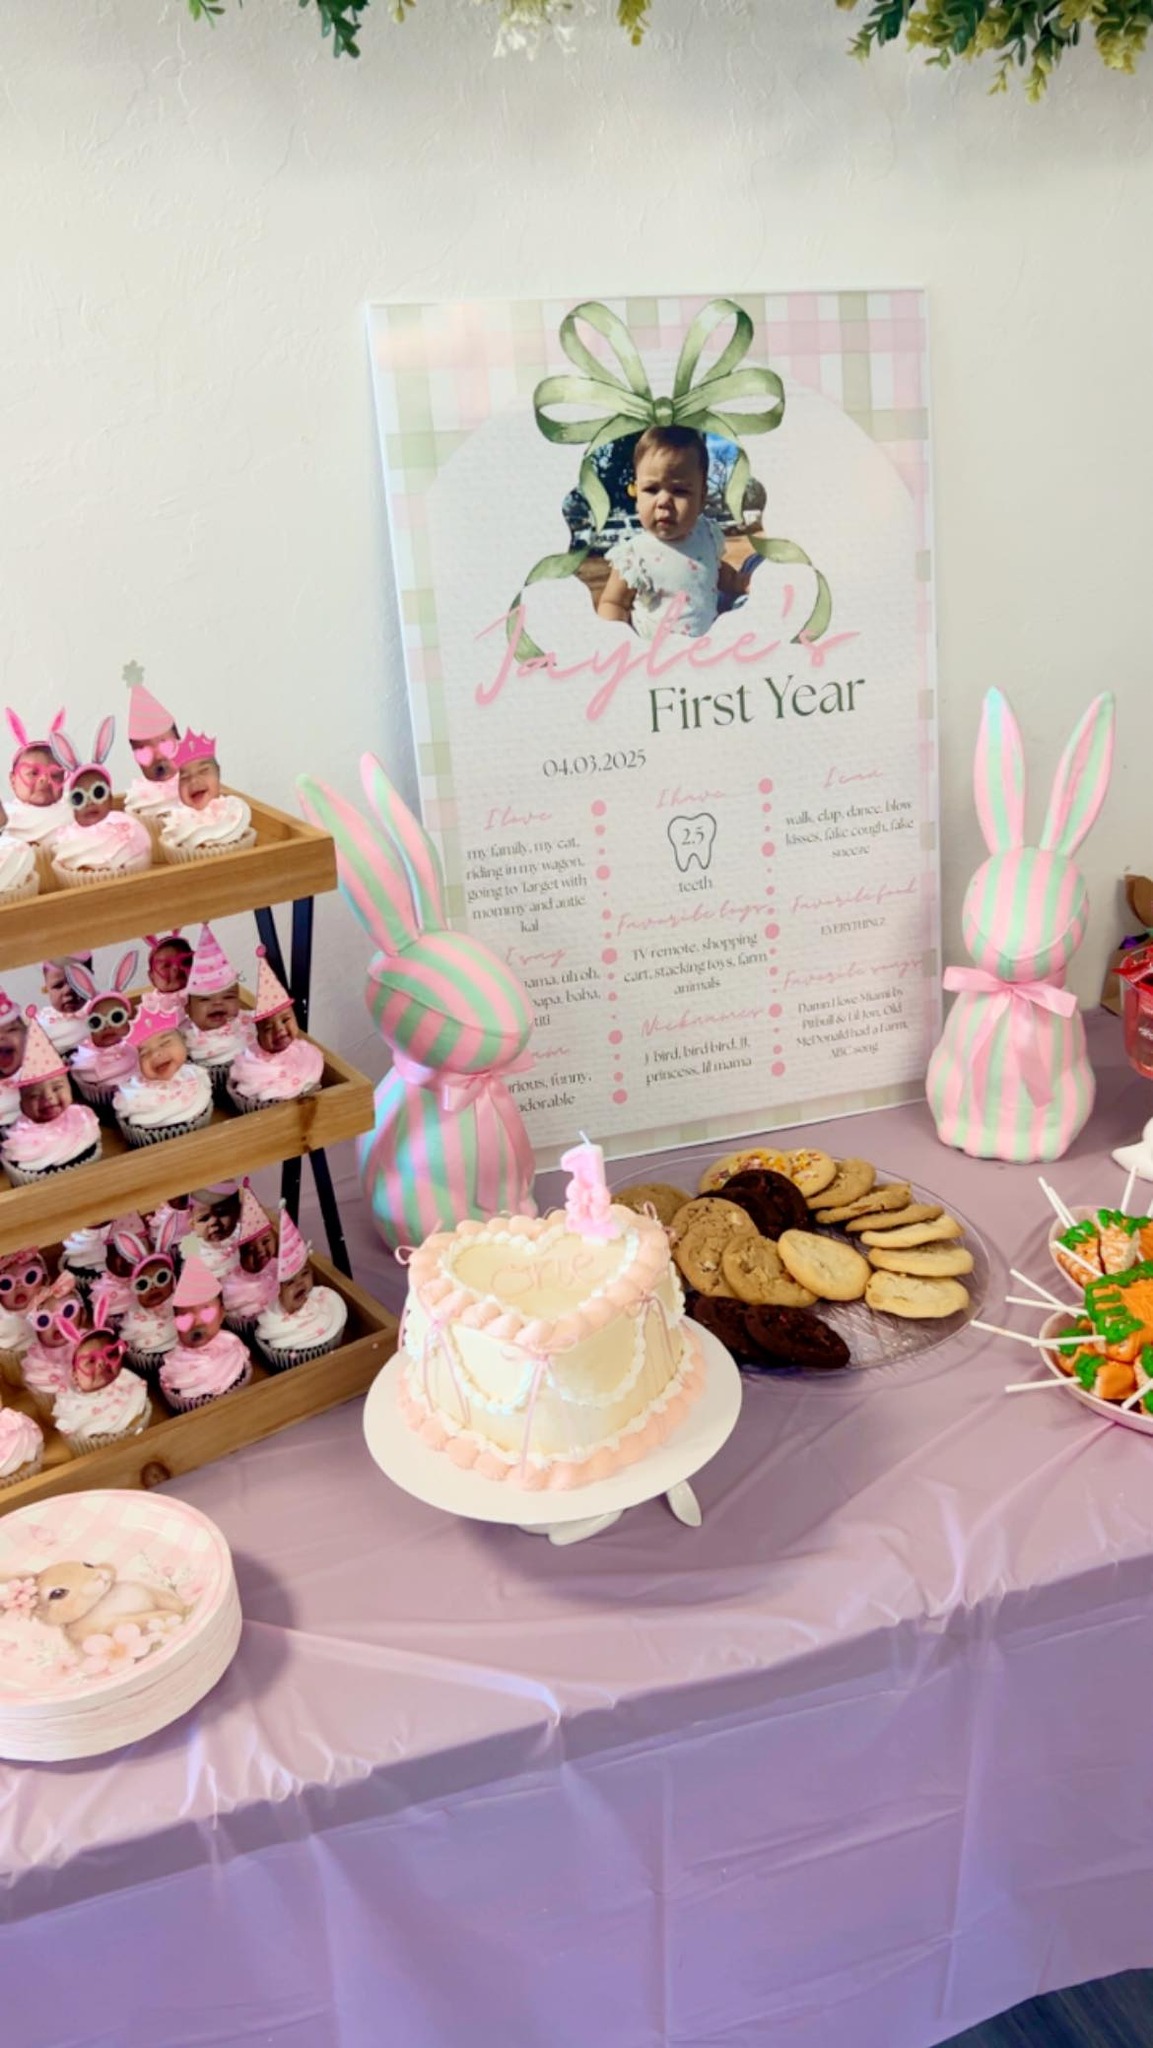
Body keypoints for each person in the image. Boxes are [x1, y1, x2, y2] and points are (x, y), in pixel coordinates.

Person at [595, 425, 755, 640]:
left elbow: (714, 571)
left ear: (701, 497)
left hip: (706, 646)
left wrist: (739, 582)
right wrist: (614, 637)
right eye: (651, 489)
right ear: (637, 493)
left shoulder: (706, 535)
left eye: (679, 491)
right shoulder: (635, 555)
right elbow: (613, 603)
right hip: (655, 652)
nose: (663, 501)